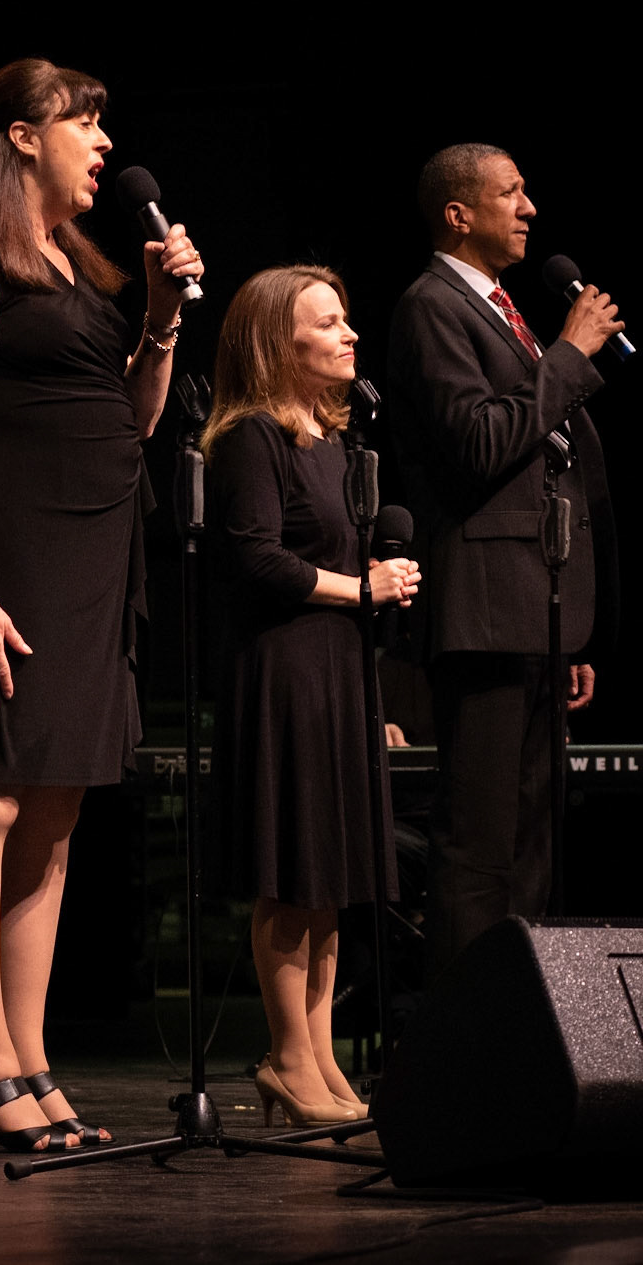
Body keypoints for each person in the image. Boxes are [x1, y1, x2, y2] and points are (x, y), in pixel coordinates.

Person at [0, 59, 204, 1154]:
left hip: (95, 559)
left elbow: (133, 419)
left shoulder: (75, 263)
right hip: (16, 557)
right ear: (24, 136)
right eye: (85, 121)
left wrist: (162, 317)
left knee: (52, 816)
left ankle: (30, 1055)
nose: (103, 142)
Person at [386, 143, 621, 980]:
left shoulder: (496, 305)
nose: (529, 207)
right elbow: (482, 442)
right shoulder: (431, 305)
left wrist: (572, 626)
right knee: (480, 841)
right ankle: (465, 1027)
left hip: (536, 607)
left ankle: (520, 1018)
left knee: (531, 839)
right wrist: (570, 354)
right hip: (484, 610)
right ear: (459, 214)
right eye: (510, 192)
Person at [202, 266, 420, 1126]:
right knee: (290, 873)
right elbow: (254, 556)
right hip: (285, 672)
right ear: (276, 342)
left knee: (329, 877)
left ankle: (321, 1055)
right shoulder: (250, 436)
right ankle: (287, 1054)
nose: (349, 334)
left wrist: (374, 586)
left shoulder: (331, 441)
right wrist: (360, 586)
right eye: (327, 322)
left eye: (345, 318)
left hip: (338, 669)